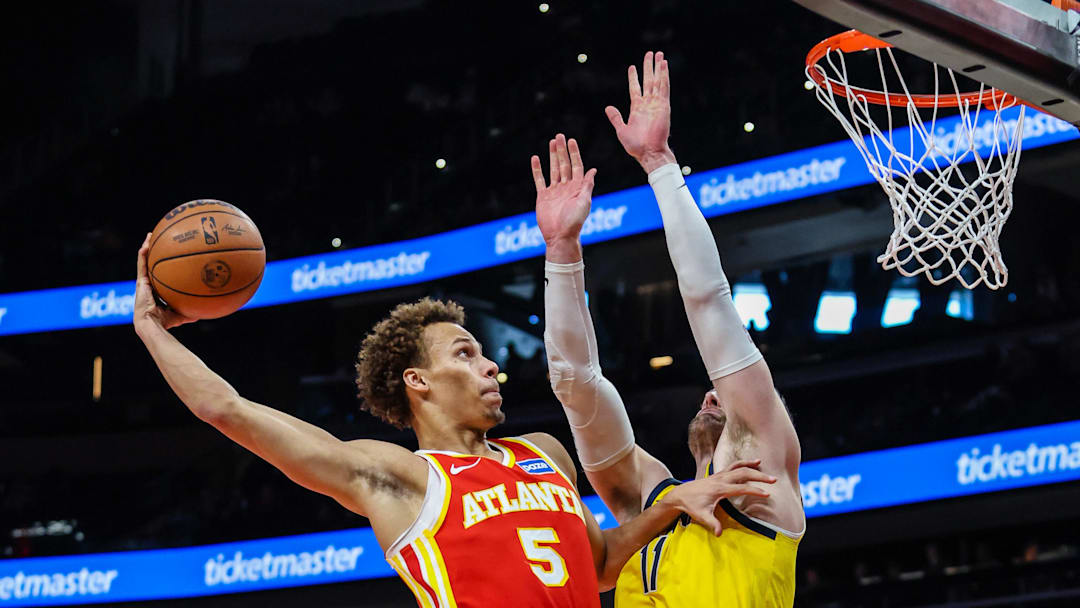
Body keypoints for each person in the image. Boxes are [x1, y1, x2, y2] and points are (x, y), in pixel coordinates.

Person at [131, 227, 775, 607]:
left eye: (486, 353)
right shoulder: (399, 478)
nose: (492, 366)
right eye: (466, 354)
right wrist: (150, 329)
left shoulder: (542, 454)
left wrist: (669, 506)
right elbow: (226, 408)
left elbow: (599, 566)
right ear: (418, 383)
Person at [534, 51, 804, 607]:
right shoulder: (646, 505)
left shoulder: (758, 482)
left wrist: (659, 165)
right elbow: (575, 382)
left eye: (726, 398)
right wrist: (562, 254)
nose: (712, 393)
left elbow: (709, 301)